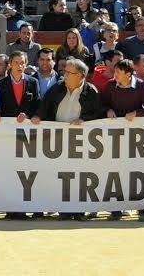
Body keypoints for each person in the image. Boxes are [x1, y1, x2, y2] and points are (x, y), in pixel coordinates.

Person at [31, 57, 105, 221]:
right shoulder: (57, 88)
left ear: (80, 76)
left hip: (82, 143)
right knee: (60, 175)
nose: (65, 75)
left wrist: (83, 120)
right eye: (64, 71)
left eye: (69, 72)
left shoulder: (91, 91)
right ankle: (63, 209)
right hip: (57, 141)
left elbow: (99, 113)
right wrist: (37, 116)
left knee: (79, 176)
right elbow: (45, 106)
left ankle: (79, 210)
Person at [100, 58, 144, 221]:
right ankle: (116, 208)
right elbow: (101, 104)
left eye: (118, 72)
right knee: (116, 172)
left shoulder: (141, 86)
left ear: (128, 73)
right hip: (114, 137)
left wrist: (137, 114)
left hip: (137, 138)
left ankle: (142, 208)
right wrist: (108, 110)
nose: (114, 74)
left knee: (138, 172)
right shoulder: (110, 86)